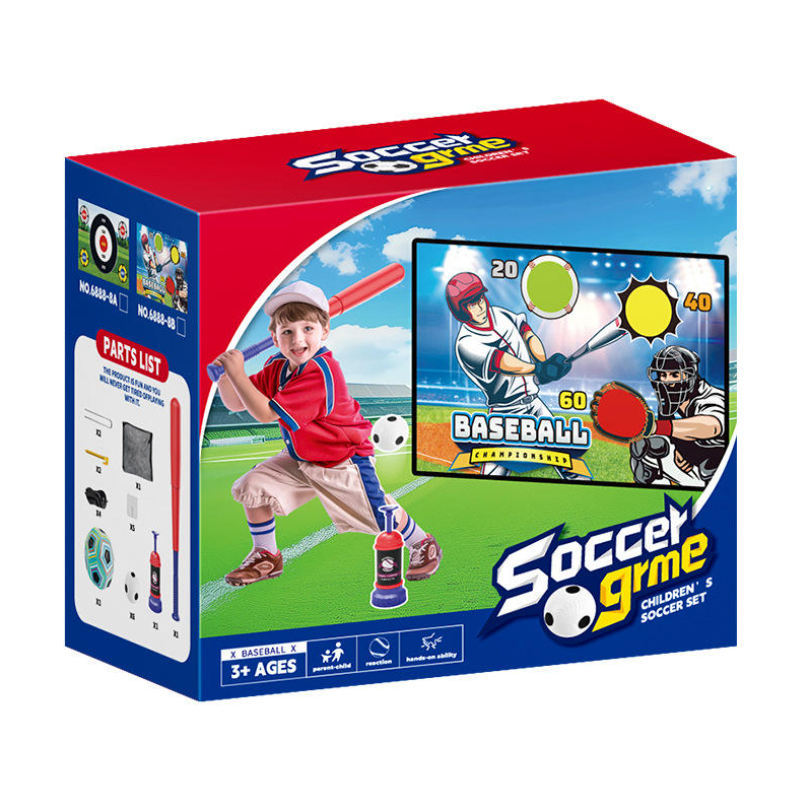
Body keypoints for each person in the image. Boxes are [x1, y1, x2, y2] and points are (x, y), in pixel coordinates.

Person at [212, 280, 441, 586]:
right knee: (252, 486)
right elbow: (236, 402)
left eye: (307, 328)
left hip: (342, 459)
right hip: (301, 456)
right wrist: (225, 379)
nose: (298, 339)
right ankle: (266, 554)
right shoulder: (277, 365)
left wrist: (237, 372)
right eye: (287, 331)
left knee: (378, 515)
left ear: (325, 331)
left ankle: (422, 542)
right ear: (274, 337)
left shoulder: (321, 372)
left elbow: (264, 413)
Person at [445, 272, 578, 478]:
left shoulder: (499, 314)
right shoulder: (467, 343)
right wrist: (537, 369)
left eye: (480, 298)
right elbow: (504, 362)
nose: (480, 306)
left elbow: (528, 334)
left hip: (536, 404)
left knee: (568, 461)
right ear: (461, 310)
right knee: (494, 473)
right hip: (506, 412)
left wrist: (544, 363)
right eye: (472, 303)